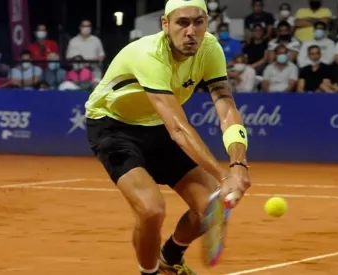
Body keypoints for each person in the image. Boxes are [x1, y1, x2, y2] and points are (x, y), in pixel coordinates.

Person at [84, 0, 251, 274]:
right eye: (182, 22)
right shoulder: (149, 54)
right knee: (151, 210)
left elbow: (226, 108)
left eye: (198, 22)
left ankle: (170, 259)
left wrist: (239, 164)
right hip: (114, 126)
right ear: (165, 25)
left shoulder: (210, 49)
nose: (191, 31)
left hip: (156, 125)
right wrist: (224, 177)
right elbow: (177, 128)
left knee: (211, 205)